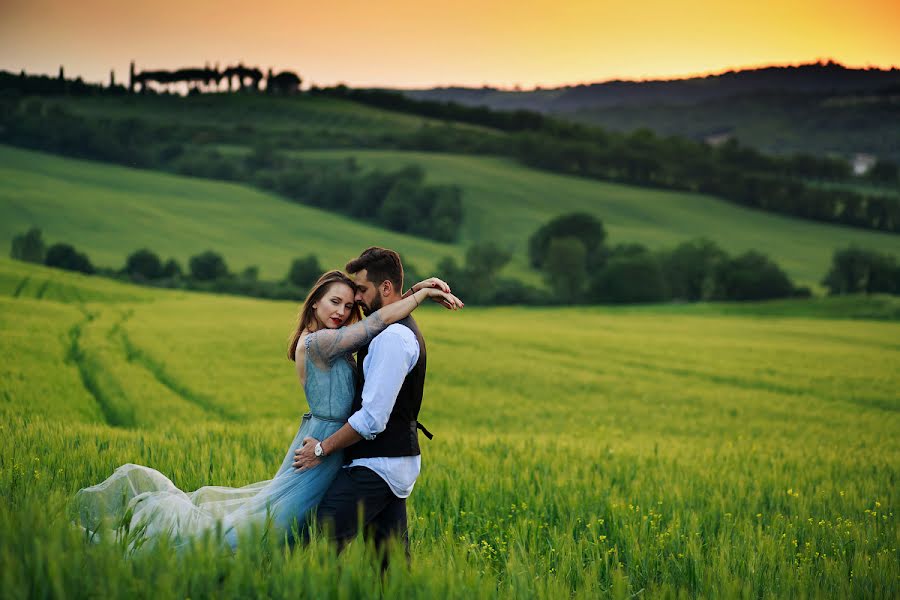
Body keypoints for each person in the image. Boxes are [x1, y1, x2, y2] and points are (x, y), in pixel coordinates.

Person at [72, 267, 462, 552]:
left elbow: (376, 316)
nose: (344, 310)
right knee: (269, 533)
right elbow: (376, 319)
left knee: (286, 532)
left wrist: (413, 289)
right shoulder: (318, 343)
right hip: (322, 446)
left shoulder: (328, 341)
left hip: (333, 445)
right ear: (315, 301)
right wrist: (421, 294)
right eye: (335, 301)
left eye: (348, 302)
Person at [292, 247, 442, 568]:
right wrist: (418, 291)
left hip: (377, 464)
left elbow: (372, 420)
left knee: (317, 543)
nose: (354, 301)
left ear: (385, 288)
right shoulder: (386, 330)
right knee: (390, 567)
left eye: (360, 290)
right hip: (388, 462)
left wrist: (321, 449)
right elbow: (375, 320)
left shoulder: (391, 339)